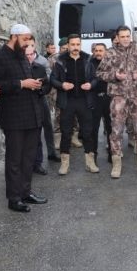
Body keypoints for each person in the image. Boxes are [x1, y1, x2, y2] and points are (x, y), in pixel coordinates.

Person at [0, 23, 47, 213]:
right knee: (14, 159)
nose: (28, 42)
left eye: (30, 39)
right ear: (14, 36)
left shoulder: (23, 55)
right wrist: (22, 83)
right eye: (25, 38)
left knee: (28, 158)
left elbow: (26, 81)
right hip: (14, 118)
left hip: (32, 115)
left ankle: (25, 192)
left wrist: (34, 85)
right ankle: (14, 198)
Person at [96, 25, 137, 178]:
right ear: (118, 38)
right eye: (123, 36)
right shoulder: (110, 53)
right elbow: (100, 73)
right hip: (118, 97)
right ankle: (116, 164)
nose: (126, 39)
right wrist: (114, 75)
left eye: (128, 36)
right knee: (116, 131)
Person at [50, 34, 98, 174]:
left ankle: (90, 163)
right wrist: (62, 84)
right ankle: (65, 164)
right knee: (66, 132)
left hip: (84, 100)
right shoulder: (60, 60)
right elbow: (52, 79)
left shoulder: (88, 59)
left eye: (78, 44)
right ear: (68, 45)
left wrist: (91, 84)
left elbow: (96, 78)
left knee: (88, 132)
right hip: (67, 101)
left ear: (80, 45)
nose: (75, 47)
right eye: (73, 45)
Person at [25, 38, 54, 175]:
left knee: (42, 128)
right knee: (29, 134)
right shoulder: (19, 67)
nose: (30, 57)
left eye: (31, 54)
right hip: (25, 104)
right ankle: (28, 163)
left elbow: (48, 83)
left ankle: (39, 162)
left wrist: (41, 90)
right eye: (27, 55)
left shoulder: (41, 65)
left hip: (39, 100)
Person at [89, 43, 113, 164]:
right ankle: (93, 156)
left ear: (105, 52)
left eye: (101, 50)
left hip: (109, 98)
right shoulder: (89, 64)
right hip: (95, 98)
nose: (98, 52)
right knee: (94, 128)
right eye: (96, 50)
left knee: (111, 128)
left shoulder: (111, 63)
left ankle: (112, 154)